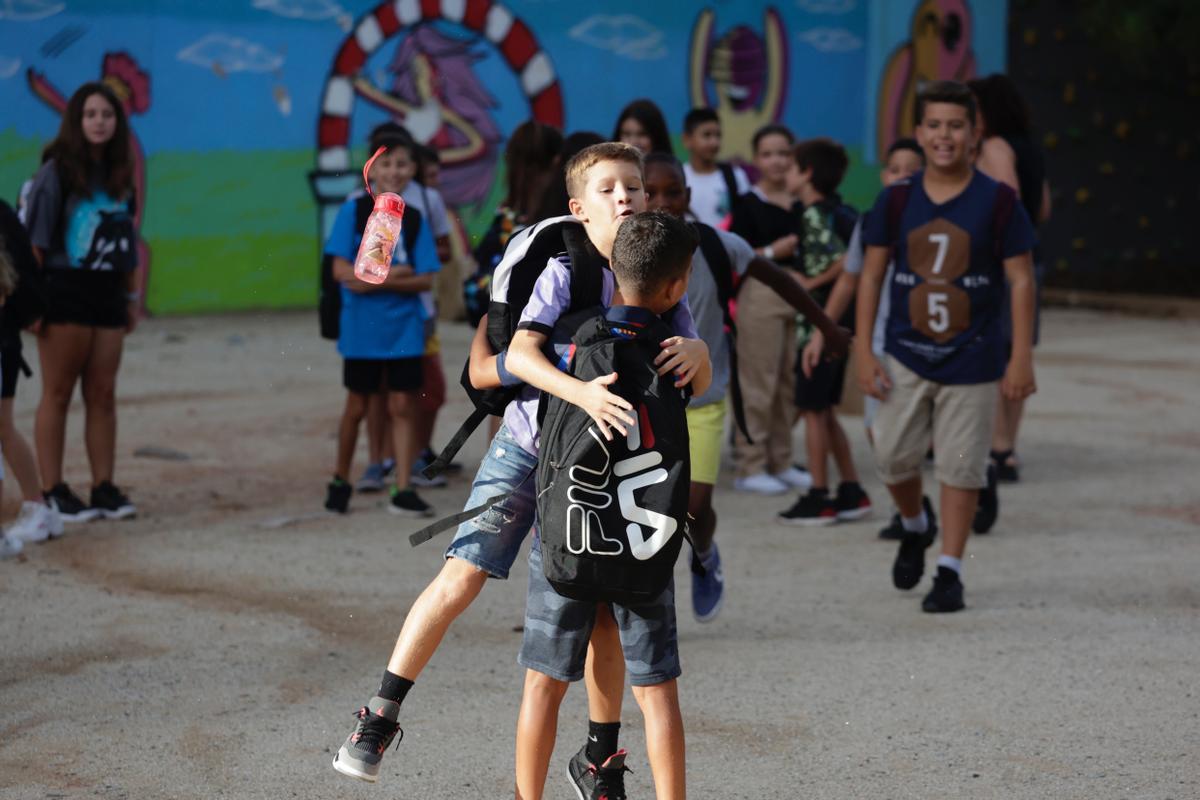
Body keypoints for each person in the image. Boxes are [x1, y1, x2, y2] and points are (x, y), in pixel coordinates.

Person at [330, 143, 659, 793]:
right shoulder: (564, 265)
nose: (625, 197)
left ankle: (598, 758)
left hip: (593, 465)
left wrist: (698, 348)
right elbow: (520, 354)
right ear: (577, 206)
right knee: (462, 574)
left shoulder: (649, 265)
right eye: (608, 188)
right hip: (525, 448)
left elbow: (681, 333)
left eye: (635, 187)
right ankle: (379, 713)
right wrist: (583, 391)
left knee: (599, 612)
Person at [505, 210, 709, 800]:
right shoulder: (676, 358)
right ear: (675, 288)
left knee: (543, 684)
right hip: (643, 544)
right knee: (657, 692)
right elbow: (702, 389)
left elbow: (519, 371)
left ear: (612, 270)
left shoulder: (571, 350)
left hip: (566, 539)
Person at [642, 152, 849, 621]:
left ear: (688, 197)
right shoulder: (616, 250)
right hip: (639, 402)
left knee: (694, 510)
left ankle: (705, 554)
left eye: (672, 192)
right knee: (644, 509)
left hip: (701, 400)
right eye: (648, 192)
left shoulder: (717, 245)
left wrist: (827, 327)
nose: (660, 202)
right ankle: (646, 602)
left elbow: (779, 280)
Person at [855, 81, 1037, 613]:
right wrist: (864, 350)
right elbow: (871, 278)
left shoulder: (999, 202)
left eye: (956, 126)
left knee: (961, 466)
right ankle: (916, 523)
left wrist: (1020, 355)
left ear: (975, 133)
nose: (944, 136)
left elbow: (1021, 281)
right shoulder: (895, 199)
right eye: (933, 125)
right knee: (892, 456)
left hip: (974, 357)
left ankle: (950, 569)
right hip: (906, 353)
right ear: (918, 132)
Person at [23, 82, 139, 523]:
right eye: (90, 114)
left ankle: (104, 487)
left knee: (103, 394)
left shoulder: (121, 173)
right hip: (63, 291)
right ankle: (52, 489)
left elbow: (127, 239)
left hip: (108, 293)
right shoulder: (56, 171)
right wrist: (32, 304)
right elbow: (34, 244)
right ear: (77, 119)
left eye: (106, 115)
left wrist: (130, 297)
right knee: (57, 392)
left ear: (117, 122)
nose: (99, 122)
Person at [801, 139, 926, 539]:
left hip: (935, 345)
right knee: (880, 432)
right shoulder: (873, 220)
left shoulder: (935, 222)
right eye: (895, 168)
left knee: (936, 434)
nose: (903, 175)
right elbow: (850, 279)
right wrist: (825, 329)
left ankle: (962, 493)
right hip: (889, 348)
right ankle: (910, 509)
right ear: (883, 175)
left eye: (913, 169)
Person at [322, 129, 440, 517]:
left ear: (413, 169)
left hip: (404, 328)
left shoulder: (416, 217)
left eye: (402, 163)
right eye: (385, 162)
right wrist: (397, 273)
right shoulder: (354, 210)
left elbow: (426, 276)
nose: (394, 171)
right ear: (371, 168)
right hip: (361, 330)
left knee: (402, 405)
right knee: (357, 404)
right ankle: (340, 479)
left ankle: (402, 488)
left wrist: (373, 276)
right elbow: (341, 271)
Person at [778, 138, 872, 525]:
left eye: (792, 165)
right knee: (825, 412)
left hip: (818, 328)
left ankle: (820, 494)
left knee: (814, 411)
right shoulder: (834, 211)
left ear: (807, 173)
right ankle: (851, 489)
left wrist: (809, 281)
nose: (786, 173)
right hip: (836, 324)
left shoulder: (814, 215)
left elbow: (845, 261)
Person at [968, 73, 1052, 485]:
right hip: (1032, 259)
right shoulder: (1031, 148)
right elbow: (1044, 209)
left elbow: (1008, 198)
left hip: (1000, 264)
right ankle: (1008, 446)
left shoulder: (996, 146)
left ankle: (997, 447)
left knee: (998, 351)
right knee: (1017, 349)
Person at [728, 124, 809, 495]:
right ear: (756, 160)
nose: (777, 161)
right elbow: (738, 256)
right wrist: (777, 250)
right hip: (760, 294)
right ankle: (750, 464)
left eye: (784, 153)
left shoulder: (802, 203)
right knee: (758, 383)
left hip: (798, 295)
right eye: (768, 154)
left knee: (787, 385)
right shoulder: (748, 204)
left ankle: (781, 460)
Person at [0, 200, 62, 544]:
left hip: (3, 342)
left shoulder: (2, 217)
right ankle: (39, 507)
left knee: (2, 427)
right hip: (6, 339)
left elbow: (18, 278)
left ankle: (37, 506)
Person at [680, 107, 750, 229]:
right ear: (687, 139)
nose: (714, 142)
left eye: (718, 135)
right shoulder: (678, 177)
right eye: (707, 135)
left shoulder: (736, 176)